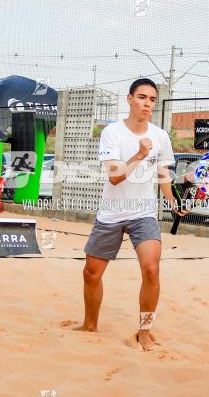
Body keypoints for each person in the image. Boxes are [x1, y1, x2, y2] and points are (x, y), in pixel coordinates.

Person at [75, 78, 183, 351]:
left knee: (151, 269)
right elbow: (114, 177)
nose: (147, 104)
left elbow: (163, 175)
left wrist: (172, 201)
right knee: (91, 273)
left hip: (143, 213)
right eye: (142, 97)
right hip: (111, 212)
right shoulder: (112, 132)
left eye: (152, 99)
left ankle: (144, 330)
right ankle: (89, 325)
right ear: (129, 99)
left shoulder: (160, 136)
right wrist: (138, 155)